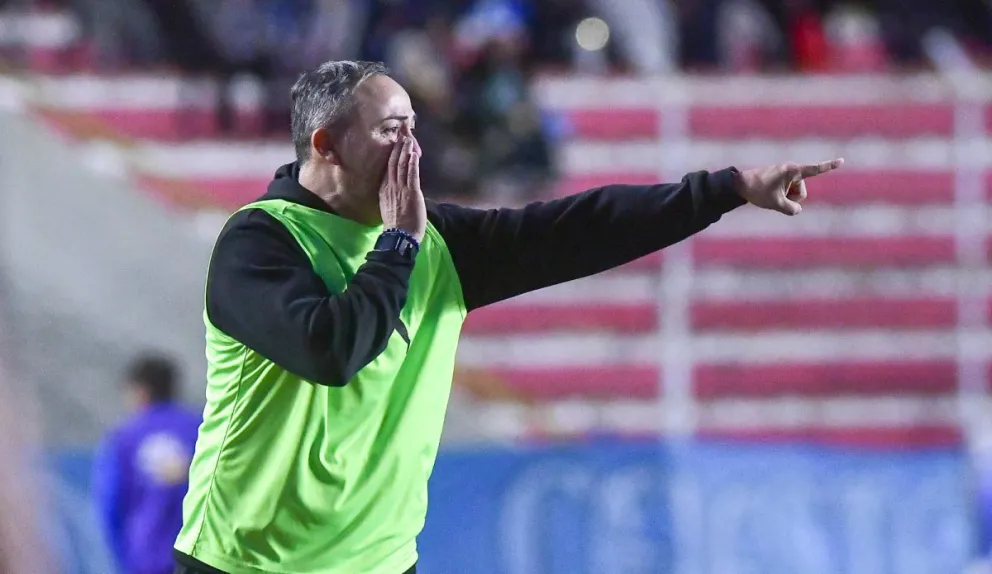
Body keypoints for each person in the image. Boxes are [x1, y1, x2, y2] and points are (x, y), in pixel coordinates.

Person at [173, 60, 844, 574]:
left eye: (414, 128)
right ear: (326, 145)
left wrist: (726, 189)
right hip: (244, 563)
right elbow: (331, 350)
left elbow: (576, 229)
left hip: (378, 563)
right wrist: (398, 243)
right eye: (390, 131)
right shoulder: (260, 241)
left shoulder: (438, 243)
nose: (413, 150)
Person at [93, 353, 201, 574]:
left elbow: (110, 504)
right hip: (198, 555)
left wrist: (123, 555)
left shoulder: (124, 438)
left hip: (145, 558)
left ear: (141, 390)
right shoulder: (202, 429)